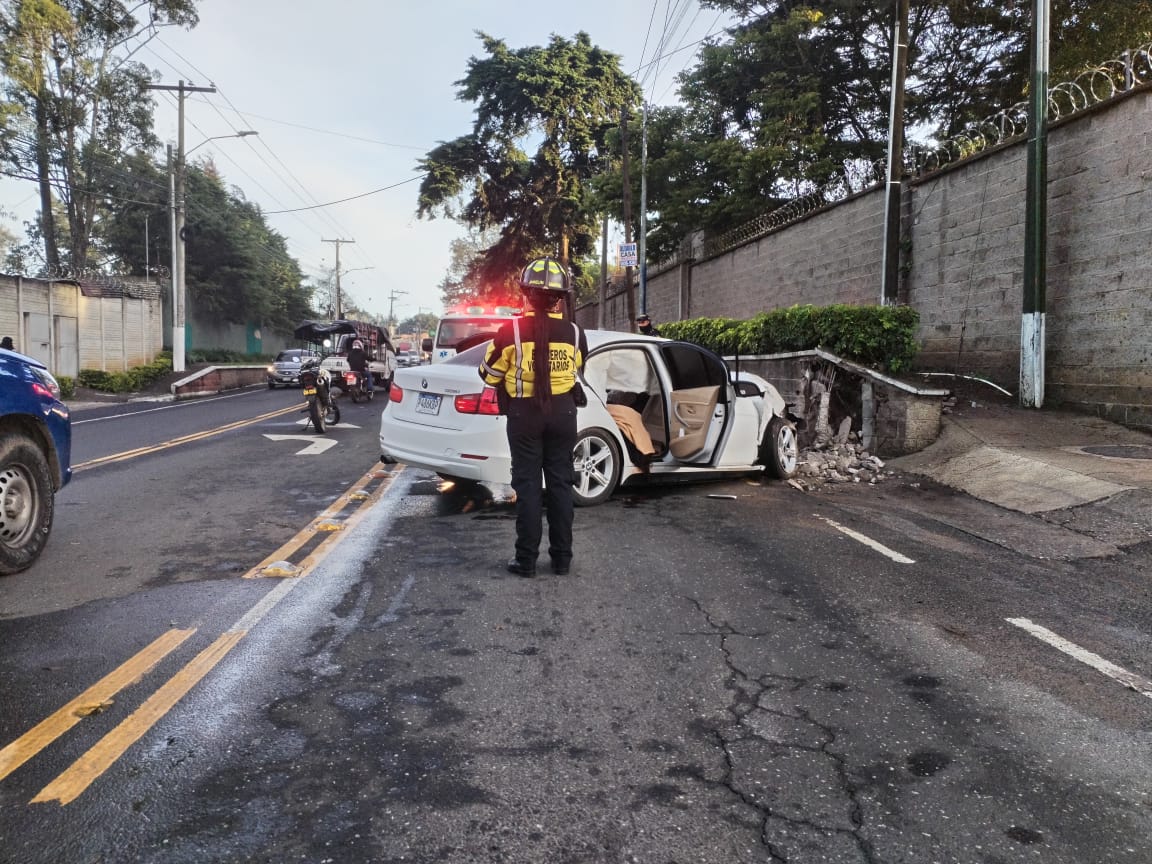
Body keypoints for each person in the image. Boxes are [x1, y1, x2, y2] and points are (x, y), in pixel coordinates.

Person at [480, 257, 589, 577]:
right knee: (560, 484)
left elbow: (488, 375)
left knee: (527, 486)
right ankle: (562, 560)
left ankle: (525, 560)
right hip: (564, 413)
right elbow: (578, 367)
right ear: (561, 297)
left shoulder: (509, 331)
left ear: (525, 293)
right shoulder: (574, 332)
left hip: (524, 414)